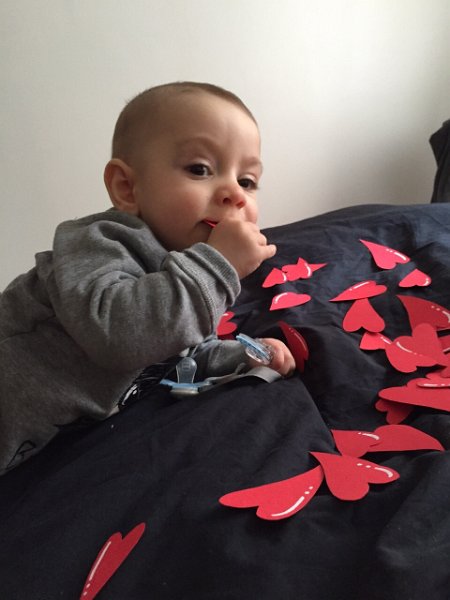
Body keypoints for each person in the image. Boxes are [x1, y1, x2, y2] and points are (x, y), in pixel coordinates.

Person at [0, 82, 295, 473]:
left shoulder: (191, 272)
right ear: (127, 188)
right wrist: (218, 264)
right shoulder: (98, 242)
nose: (234, 194)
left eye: (247, 181)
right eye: (200, 169)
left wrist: (244, 355)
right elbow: (122, 336)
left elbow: (178, 353)